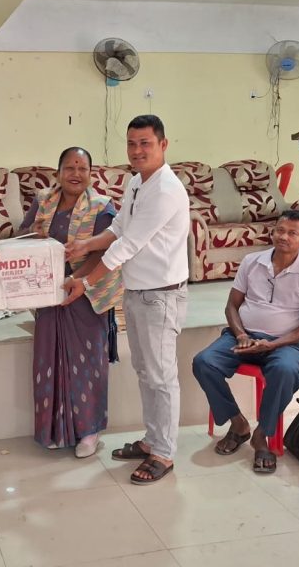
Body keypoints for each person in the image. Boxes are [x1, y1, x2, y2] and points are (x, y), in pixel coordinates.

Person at [64, 115, 189, 484]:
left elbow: (128, 245)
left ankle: (164, 453)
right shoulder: (137, 182)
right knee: (146, 373)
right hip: (136, 291)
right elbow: (119, 227)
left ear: (163, 145)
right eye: (132, 144)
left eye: (145, 143)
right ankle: (153, 440)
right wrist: (85, 245)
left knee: (162, 377)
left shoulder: (166, 190)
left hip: (161, 296)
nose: (137, 151)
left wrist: (85, 282)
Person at [191, 210, 299, 474]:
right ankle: (238, 423)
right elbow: (232, 305)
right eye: (280, 230)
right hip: (243, 336)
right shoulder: (252, 261)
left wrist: (273, 345)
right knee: (204, 362)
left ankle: (262, 434)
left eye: (292, 233)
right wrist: (241, 335)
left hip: (285, 344)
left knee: (285, 369)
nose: (283, 237)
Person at [20, 147, 122, 458]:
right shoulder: (43, 201)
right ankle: (54, 430)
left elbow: (105, 251)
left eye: (82, 168)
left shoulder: (103, 206)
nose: (75, 174)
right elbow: (21, 234)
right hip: (48, 292)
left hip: (86, 294)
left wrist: (79, 280)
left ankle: (89, 431)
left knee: (87, 363)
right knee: (49, 360)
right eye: (69, 168)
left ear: (91, 174)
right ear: (58, 172)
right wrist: (34, 237)